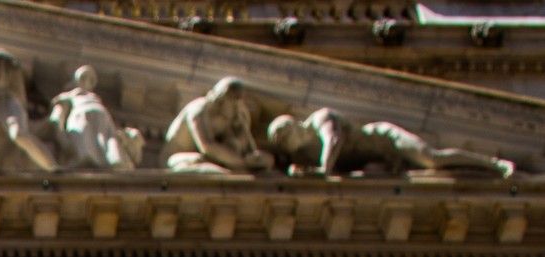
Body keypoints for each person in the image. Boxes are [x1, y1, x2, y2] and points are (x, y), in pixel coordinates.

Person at [265, 107, 513, 178]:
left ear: (292, 127)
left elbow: (334, 139)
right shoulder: (308, 151)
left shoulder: (321, 118)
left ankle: (494, 165)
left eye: (284, 138)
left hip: (387, 141)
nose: (288, 146)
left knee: (432, 158)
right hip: (374, 160)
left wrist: (323, 171)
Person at [163, 77, 271, 173]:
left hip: (222, 160)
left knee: (234, 145)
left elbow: (250, 150)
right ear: (219, 99)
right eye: (229, 100)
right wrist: (243, 163)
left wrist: (258, 160)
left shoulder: (239, 113)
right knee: (199, 161)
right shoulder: (199, 109)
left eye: (236, 102)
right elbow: (207, 146)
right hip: (176, 158)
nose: (232, 105)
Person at [50, 66, 144, 171]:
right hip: (80, 116)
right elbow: (56, 118)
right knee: (84, 140)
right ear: (76, 80)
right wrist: (62, 137)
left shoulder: (96, 100)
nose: (87, 81)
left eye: (91, 80)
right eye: (83, 78)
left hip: (102, 118)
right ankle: (84, 160)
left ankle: (112, 161)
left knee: (106, 141)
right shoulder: (68, 96)